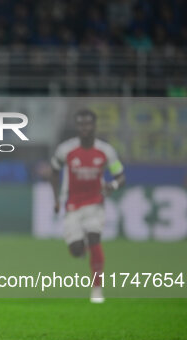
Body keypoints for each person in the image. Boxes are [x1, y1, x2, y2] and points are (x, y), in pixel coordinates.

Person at [50, 109, 125, 304]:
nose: (84, 127)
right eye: (81, 124)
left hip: (95, 203)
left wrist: (114, 185)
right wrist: (56, 199)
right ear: (77, 127)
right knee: (76, 250)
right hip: (72, 204)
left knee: (94, 237)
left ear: (94, 126)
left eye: (88, 124)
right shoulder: (65, 150)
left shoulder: (105, 151)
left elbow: (120, 175)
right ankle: (80, 247)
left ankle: (97, 289)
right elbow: (54, 170)